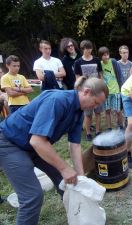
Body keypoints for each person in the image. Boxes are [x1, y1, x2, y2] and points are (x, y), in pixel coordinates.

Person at [0, 76, 108, 225]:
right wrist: (64, 168)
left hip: (34, 145)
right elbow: (37, 141)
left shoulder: (78, 111)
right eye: (95, 102)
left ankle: (78, 217)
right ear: (87, 92)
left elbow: (74, 144)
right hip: (10, 143)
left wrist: (81, 178)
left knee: (71, 181)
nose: (95, 107)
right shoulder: (57, 100)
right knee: (32, 196)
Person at [74, 40, 103, 140]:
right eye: (87, 48)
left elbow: (101, 75)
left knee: (98, 112)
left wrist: (101, 87)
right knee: (88, 114)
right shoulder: (78, 62)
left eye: (90, 48)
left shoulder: (96, 60)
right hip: (86, 92)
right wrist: (80, 90)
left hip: (97, 90)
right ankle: (88, 133)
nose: (89, 50)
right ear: (82, 49)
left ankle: (98, 131)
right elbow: (77, 78)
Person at [98, 46, 124, 130]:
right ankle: (109, 128)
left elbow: (119, 74)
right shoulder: (100, 64)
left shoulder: (113, 62)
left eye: (107, 54)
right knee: (107, 110)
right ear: (100, 56)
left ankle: (121, 125)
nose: (106, 57)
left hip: (116, 90)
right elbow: (100, 76)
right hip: (106, 92)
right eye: (104, 55)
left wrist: (121, 87)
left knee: (118, 111)